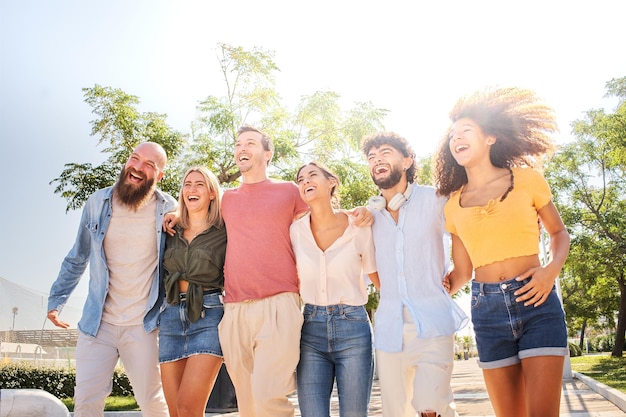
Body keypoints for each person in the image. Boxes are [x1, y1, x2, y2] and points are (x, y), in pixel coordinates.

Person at [433, 87, 570, 417]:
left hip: (536, 301)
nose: (457, 138)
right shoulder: (453, 205)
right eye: (452, 135)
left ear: (490, 137)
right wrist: (436, 287)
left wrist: (550, 272)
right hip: (487, 309)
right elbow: (463, 271)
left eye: (466, 131)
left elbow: (559, 233)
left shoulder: (527, 180)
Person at [47, 142, 174, 417]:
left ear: (159, 176)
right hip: (98, 324)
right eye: (135, 158)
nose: (138, 168)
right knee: (86, 403)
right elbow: (77, 256)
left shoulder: (169, 209)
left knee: (152, 401)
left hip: (143, 325)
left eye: (149, 165)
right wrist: (57, 300)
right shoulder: (97, 202)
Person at [362, 131, 468, 417]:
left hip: (433, 323)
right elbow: (371, 269)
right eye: (371, 157)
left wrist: (447, 285)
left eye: (385, 152)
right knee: (397, 412)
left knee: (431, 406)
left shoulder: (436, 199)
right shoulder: (368, 216)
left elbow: (467, 245)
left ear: (407, 160)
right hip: (389, 330)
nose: (377, 160)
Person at [290, 162, 379, 417]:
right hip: (310, 330)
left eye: (312, 175)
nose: (305, 181)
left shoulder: (359, 226)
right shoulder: (296, 231)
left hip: (353, 327)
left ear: (331, 182)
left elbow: (377, 276)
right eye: (301, 178)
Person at [158, 166, 227, 417]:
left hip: (208, 315)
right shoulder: (169, 229)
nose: (192, 189)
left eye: (200, 184)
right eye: (187, 184)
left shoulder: (224, 229)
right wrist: (175, 213)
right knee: (175, 411)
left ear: (211, 193)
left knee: (189, 408)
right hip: (171, 315)